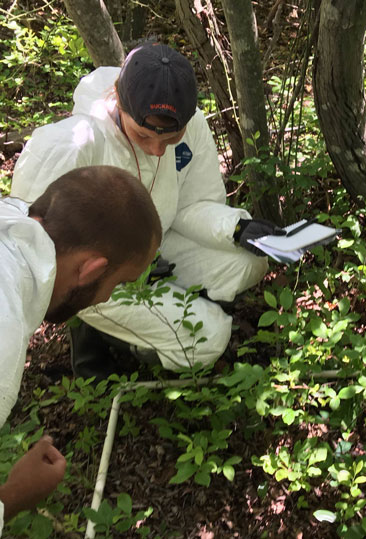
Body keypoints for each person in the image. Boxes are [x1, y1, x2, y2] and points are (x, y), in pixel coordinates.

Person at [10, 41, 281, 377]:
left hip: (159, 246)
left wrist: (236, 229)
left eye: (170, 140)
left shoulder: (193, 127)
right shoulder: (73, 143)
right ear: (118, 101)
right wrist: (124, 271)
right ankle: (97, 337)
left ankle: (153, 317)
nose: (156, 151)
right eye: (142, 135)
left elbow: (193, 204)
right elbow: (29, 247)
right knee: (208, 339)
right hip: (98, 272)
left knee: (249, 262)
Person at [0, 165, 161, 533]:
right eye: (118, 283)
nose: (107, 297)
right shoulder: (3, 329)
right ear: (90, 270)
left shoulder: (17, 222)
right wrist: (12, 497)